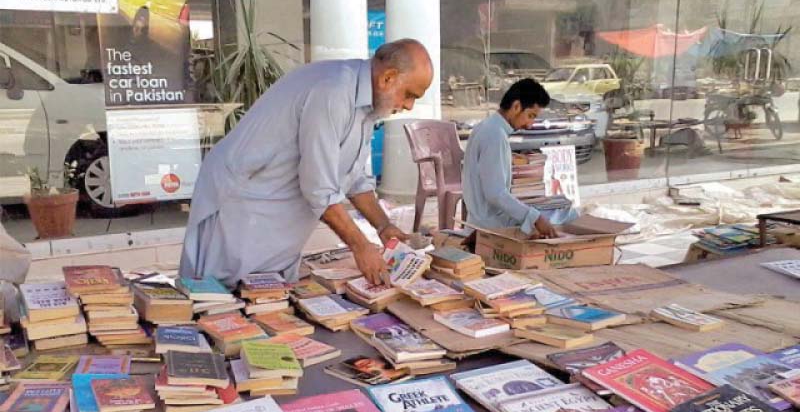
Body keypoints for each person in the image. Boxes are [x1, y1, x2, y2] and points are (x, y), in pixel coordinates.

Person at [180, 39, 433, 287]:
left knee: (268, 297)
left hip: (274, 211)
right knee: (222, 296)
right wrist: (360, 246)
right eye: (410, 95)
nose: (409, 106)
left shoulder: (368, 103)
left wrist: (383, 225)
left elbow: (353, 177)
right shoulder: (333, 91)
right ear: (387, 78)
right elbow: (319, 187)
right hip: (245, 201)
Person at [462, 79, 578, 238]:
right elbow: (495, 194)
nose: (529, 125)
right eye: (530, 115)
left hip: (482, 219)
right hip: (492, 224)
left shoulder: (486, 127)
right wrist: (535, 218)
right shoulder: (495, 135)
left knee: (556, 211)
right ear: (516, 106)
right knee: (568, 216)